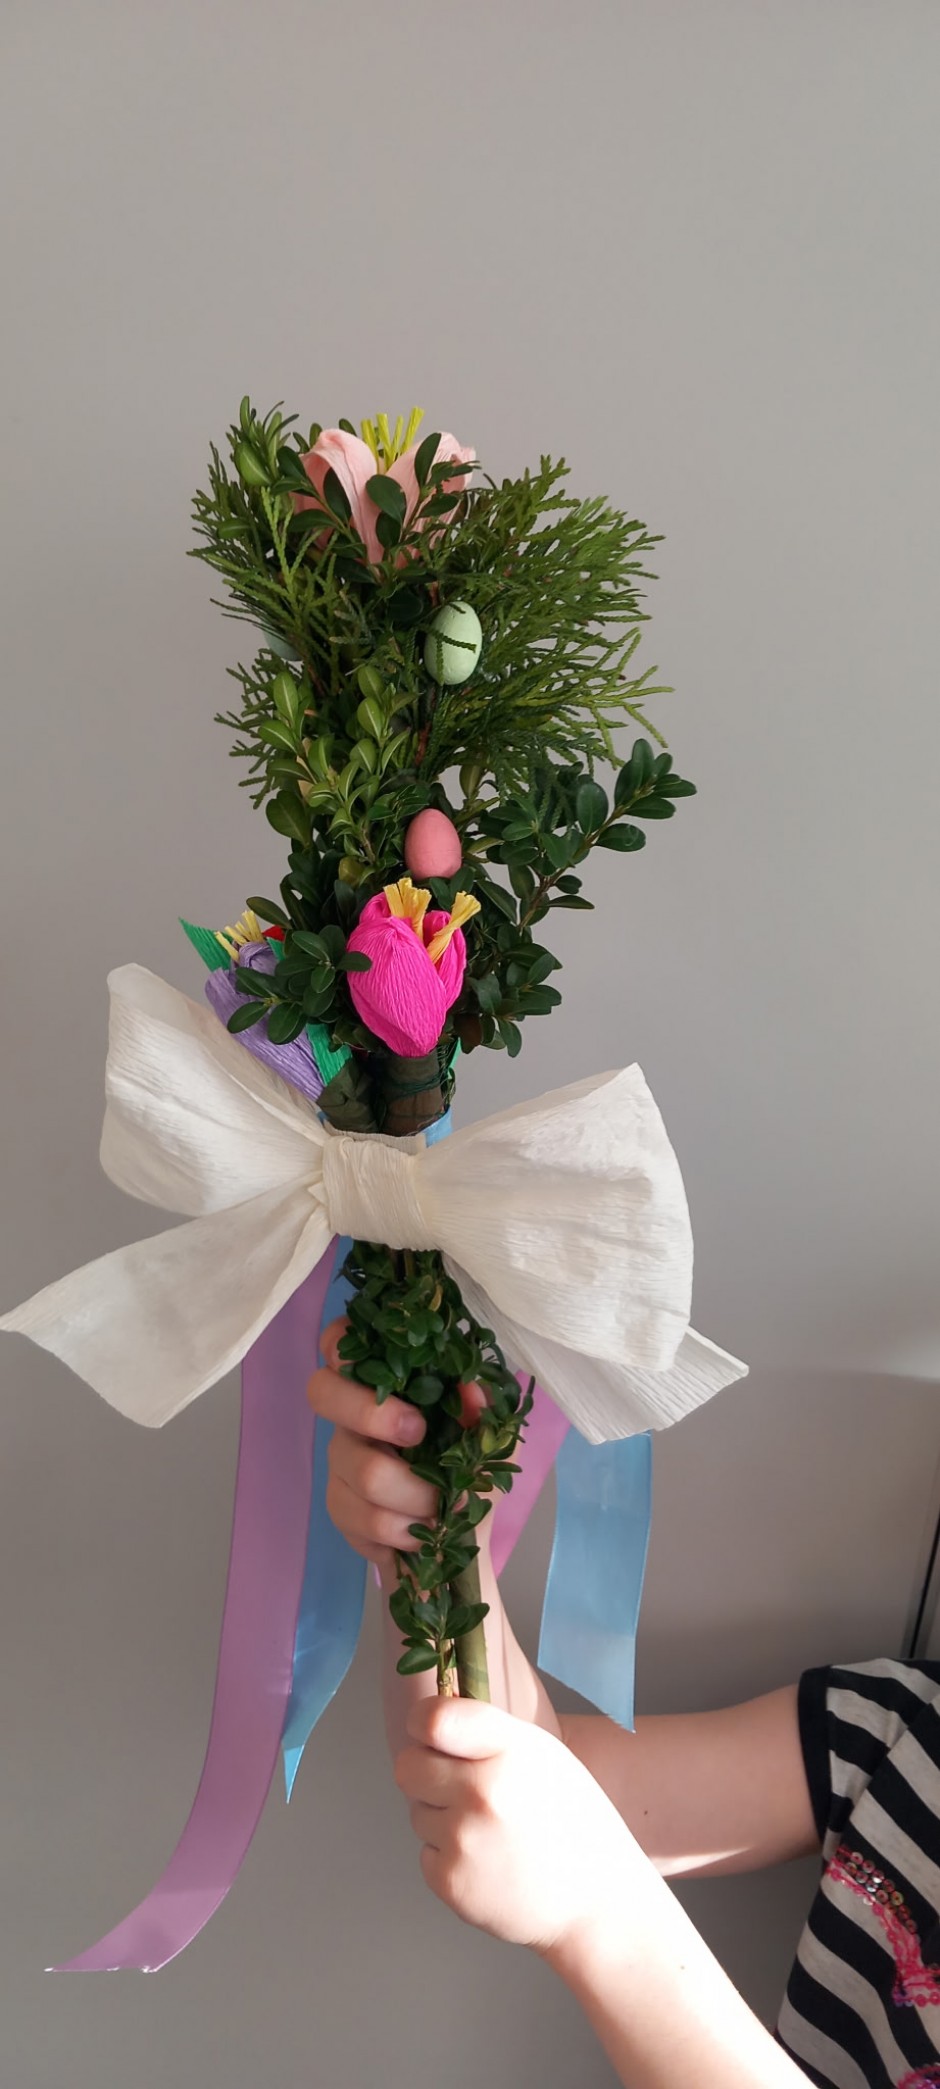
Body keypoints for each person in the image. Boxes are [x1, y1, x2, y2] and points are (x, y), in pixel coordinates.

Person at [310, 1322, 940, 2089]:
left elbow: (573, 1851)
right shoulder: (903, 1729)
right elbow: (518, 1779)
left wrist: (598, 1914)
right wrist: (436, 1543)